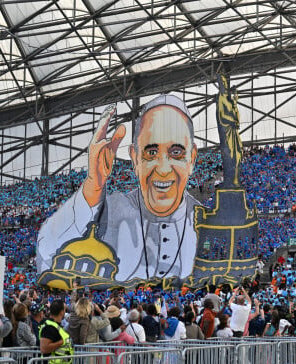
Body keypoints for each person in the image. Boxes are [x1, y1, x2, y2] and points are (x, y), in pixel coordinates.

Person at [37, 94, 200, 285]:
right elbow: (47, 253)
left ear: (192, 158)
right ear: (134, 158)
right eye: (151, 152)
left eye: (176, 152)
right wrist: (93, 185)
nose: (163, 170)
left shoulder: (208, 222)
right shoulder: (111, 209)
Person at [38, 300, 73, 364]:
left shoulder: (57, 326)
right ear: (62, 312)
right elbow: (44, 348)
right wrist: (62, 342)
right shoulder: (49, 327)